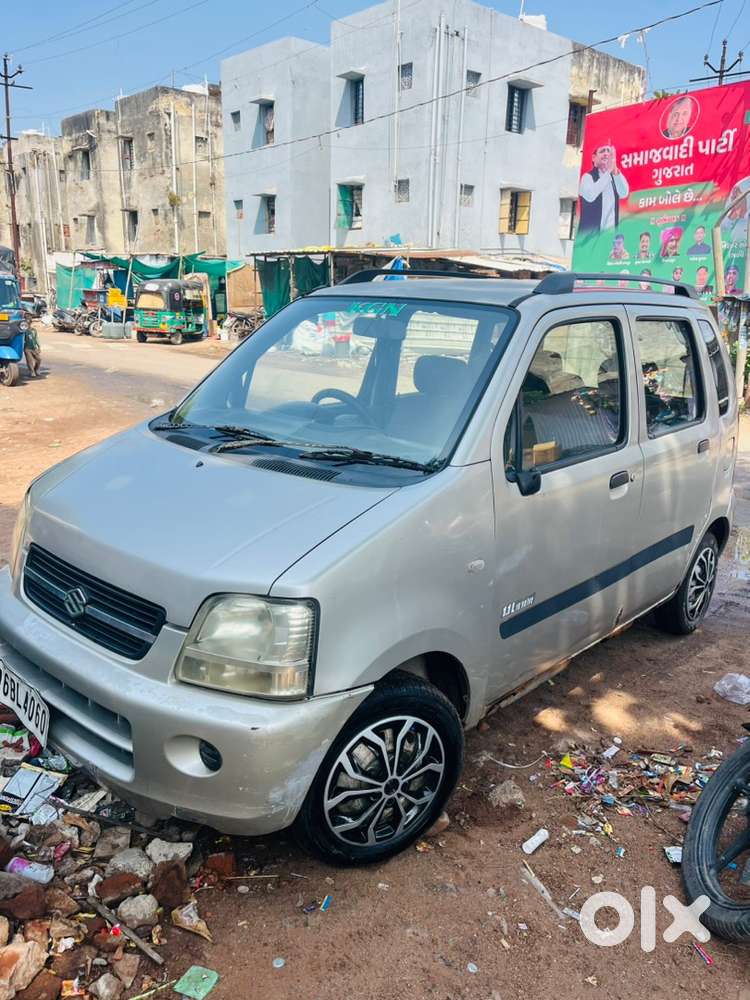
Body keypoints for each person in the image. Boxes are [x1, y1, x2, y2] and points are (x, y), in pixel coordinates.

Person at [578, 143, 629, 232]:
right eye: (602, 151)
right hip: (591, 238)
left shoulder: (614, 177)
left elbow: (624, 193)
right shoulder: (587, 177)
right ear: (594, 158)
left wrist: (614, 169)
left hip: (610, 236)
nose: (606, 154)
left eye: (609, 151)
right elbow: (590, 196)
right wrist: (608, 171)